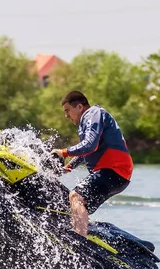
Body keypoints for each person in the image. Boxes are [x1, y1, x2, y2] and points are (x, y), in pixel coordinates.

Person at [51, 91, 134, 237]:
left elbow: (90, 145)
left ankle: (79, 240)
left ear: (79, 107)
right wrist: (68, 167)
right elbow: (87, 150)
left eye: (67, 111)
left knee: (75, 196)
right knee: (76, 205)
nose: (66, 116)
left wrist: (63, 152)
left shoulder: (93, 114)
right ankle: (87, 237)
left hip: (113, 170)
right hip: (117, 174)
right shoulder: (88, 120)